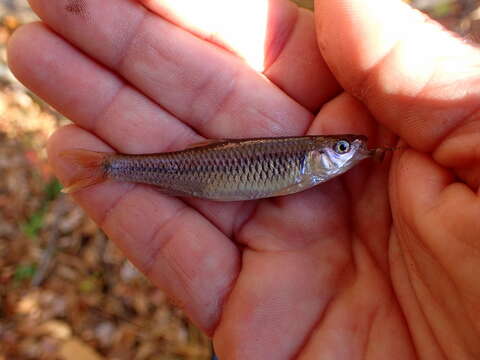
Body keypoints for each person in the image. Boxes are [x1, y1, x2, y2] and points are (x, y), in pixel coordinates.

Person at [8, 0, 480, 358]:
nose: (348, 153)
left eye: (344, 149)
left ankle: (109, 168)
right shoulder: (300, 165)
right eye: (340, 149)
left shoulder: (305, 169)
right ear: (315, 156)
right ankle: (109, 167)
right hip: (195, 175)